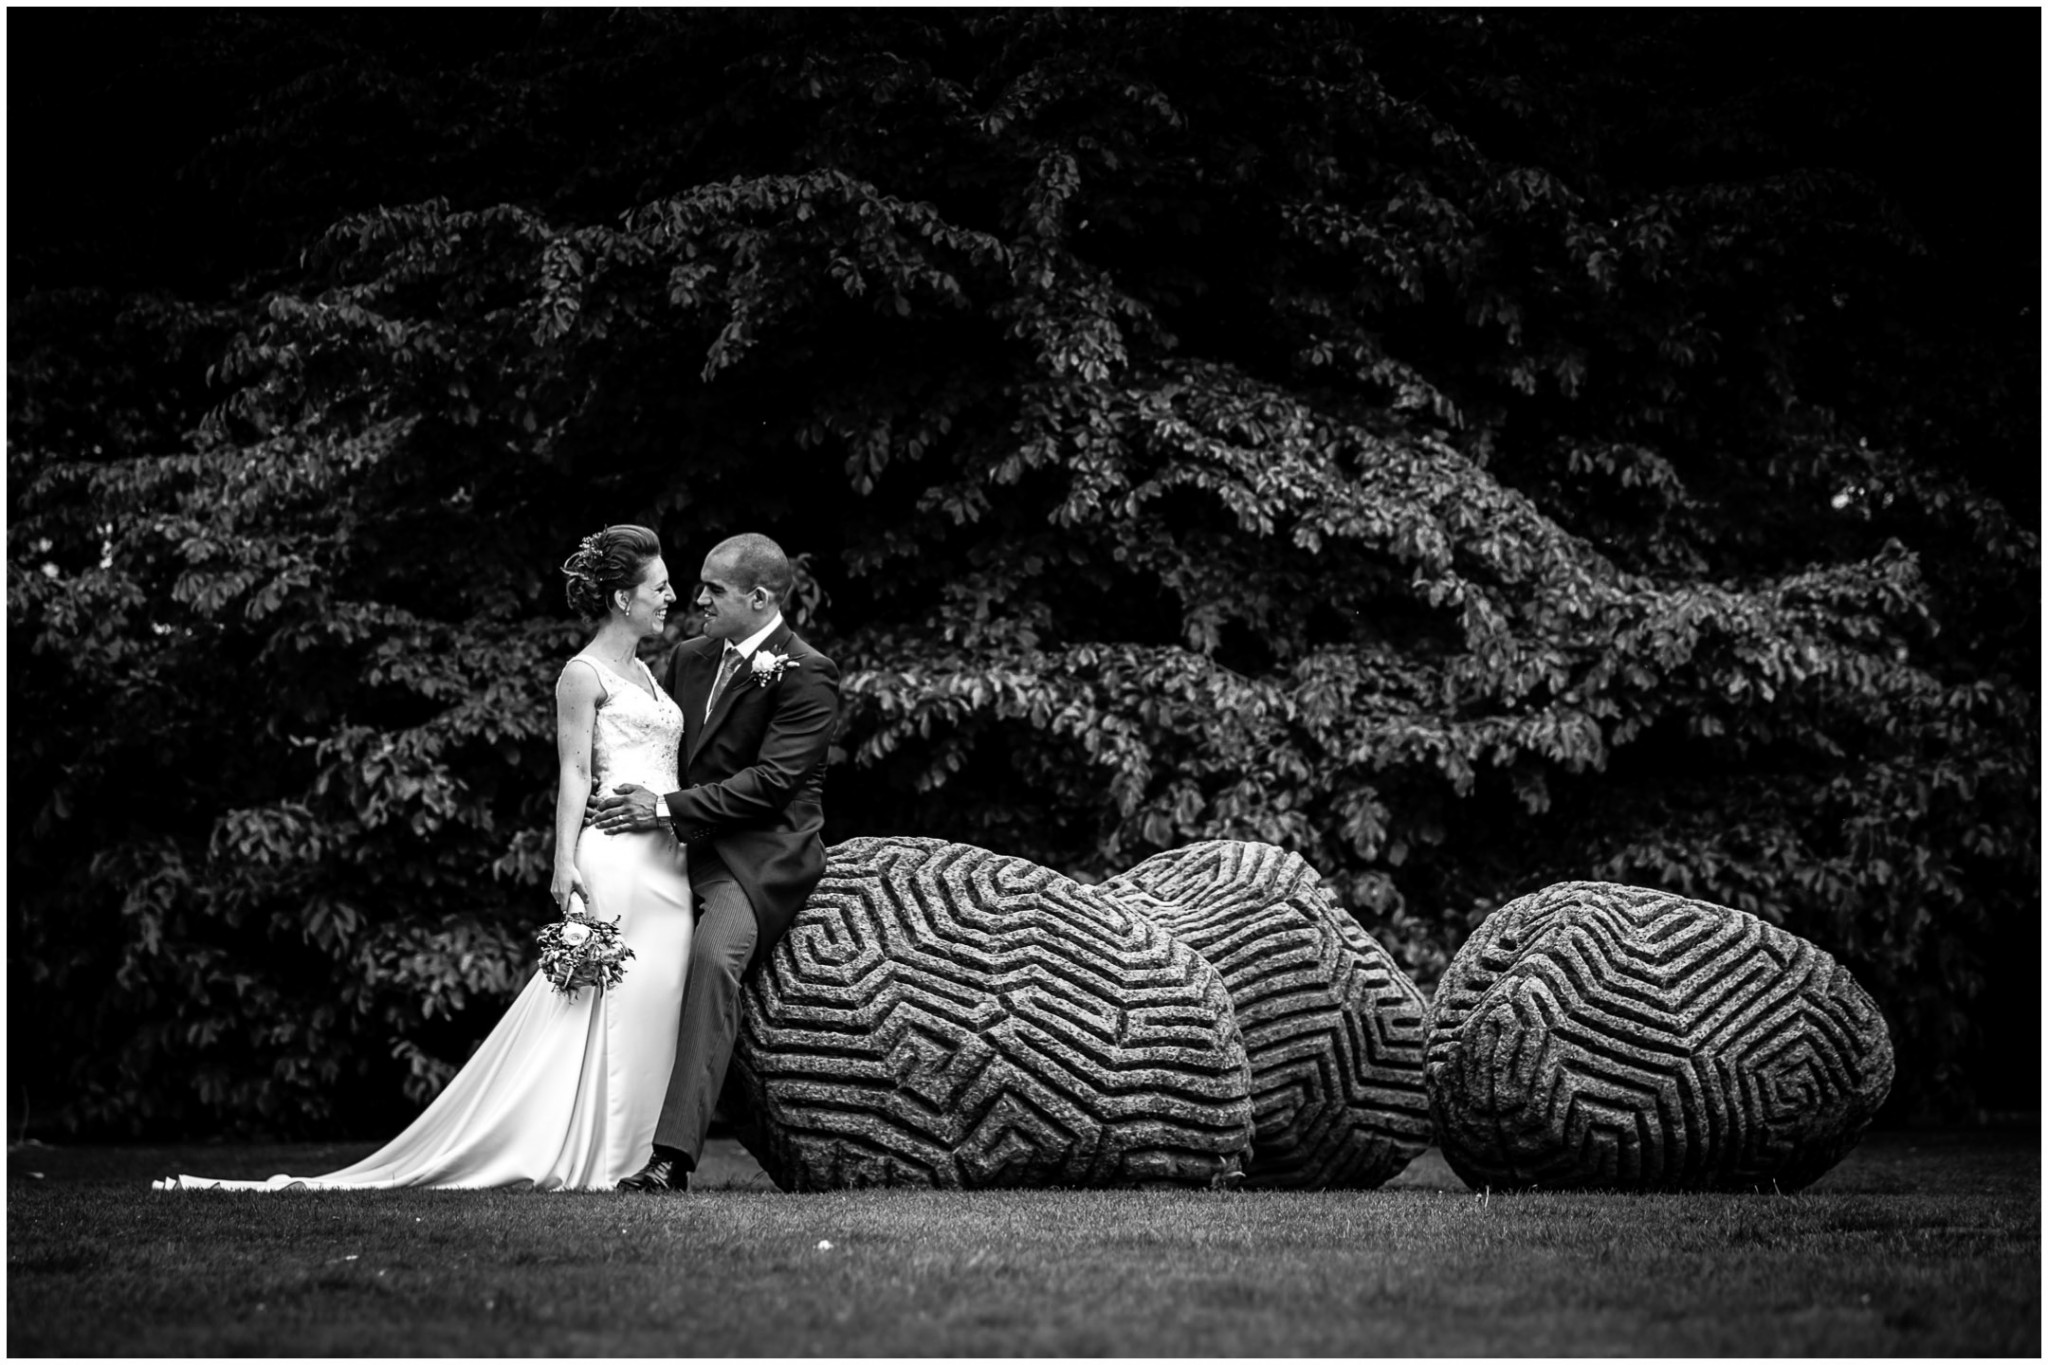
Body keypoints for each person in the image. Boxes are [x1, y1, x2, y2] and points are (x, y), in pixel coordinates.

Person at [153, 526, 693, 1191]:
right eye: (659, 584)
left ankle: (646, 1157)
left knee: (656, 1002)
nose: (671, 593)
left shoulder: (648, 670)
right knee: (611, 1003)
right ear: (620, 597)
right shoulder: (582, 675)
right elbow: (575, 772)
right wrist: (563, 862)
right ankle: (605, 1156)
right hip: (616, 858)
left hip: (669, 863)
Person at [589, 531, 839, 1193]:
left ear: (760, 597)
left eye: (714, 589)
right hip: (678, 840)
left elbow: (771, 784)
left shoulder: (808, 671)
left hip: (756, 855)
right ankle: (597, 1130)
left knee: (712, 958)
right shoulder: (692, 657)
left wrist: (665, 808)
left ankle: (671, 1158)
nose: (696, 598)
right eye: (697, 584)